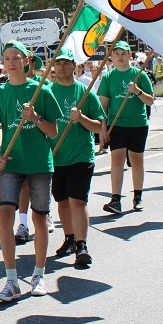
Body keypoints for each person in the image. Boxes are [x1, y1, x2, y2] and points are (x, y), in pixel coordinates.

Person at [0, 41, 62, 301]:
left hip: (39, 163)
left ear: (27, 60)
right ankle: (12, 280)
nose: (10, 62)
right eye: (6, 58)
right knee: (5, 215)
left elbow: (53, 131)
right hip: (11, 163)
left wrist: (36, 119)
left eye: (16, 57)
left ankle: (39, 275)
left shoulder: (41, 90)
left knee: (40, 219)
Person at [47, 49, 104, 268]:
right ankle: (69, 238)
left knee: (78, 201)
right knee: (62, 201)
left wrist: (81, 118)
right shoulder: (47, 91)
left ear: (74, 66)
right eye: (57, 63)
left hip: (81, 155)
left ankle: (82, 245)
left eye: (65, 63)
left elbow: (99, 126)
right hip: (55, 156)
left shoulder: (85, 91)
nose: (61, 67)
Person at [97, 41, 155, 214]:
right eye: (117, 53)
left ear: (130, 55)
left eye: (124, 53)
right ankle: (115, 199)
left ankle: (137, 196)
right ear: (112, 57)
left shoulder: (139, 75)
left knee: (136, 160)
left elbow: (150, 101)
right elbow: (103, 106)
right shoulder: (108, 77)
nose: (120, 56)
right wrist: (103, 129)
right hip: (117, 124)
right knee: (117, 160)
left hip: (138, 124)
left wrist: (137, 91)